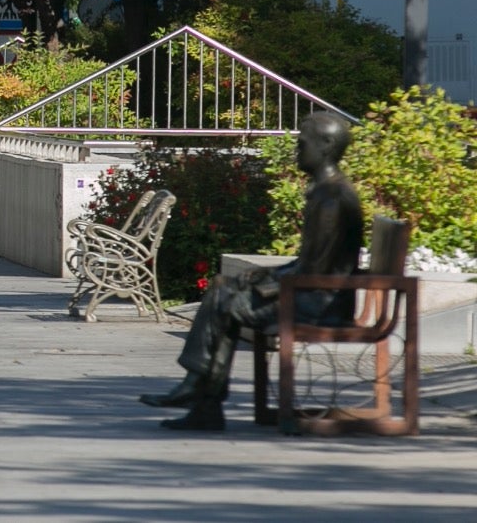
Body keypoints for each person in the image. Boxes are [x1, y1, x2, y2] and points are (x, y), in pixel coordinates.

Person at [140, 112, 362, 431]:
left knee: (224, 301)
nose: (296, 151)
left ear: (326, 145)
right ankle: (202, 400)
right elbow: (310, 263)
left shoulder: (332, 198)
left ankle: (199, 393)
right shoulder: (325, 191)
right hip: (311, 291)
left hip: (320, 302)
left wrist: (268, 286)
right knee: (222, 287)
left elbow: (314, 271)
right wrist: (260, 276)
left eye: (302, 145)